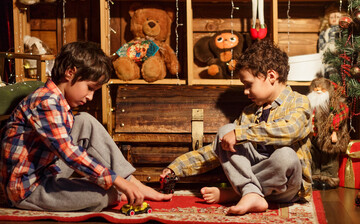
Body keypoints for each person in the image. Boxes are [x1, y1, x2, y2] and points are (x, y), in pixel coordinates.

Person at [0, 41, 172, 212]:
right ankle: (123, 186)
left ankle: (132, 182)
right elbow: (68, 153)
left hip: (47, 171)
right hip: (27, 189)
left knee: (85, 121)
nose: (90, 97)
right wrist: (116, 181)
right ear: (70, 72)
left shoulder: (58, 100)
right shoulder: (46, 102)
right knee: (107, 195)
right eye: (90, 88)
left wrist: (121, 180)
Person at [161, 39, 312, 215]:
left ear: (271, 76)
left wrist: (241, 134)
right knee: (226, 131)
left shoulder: (299, 102)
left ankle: (237, 193)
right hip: (252, 175)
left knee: (286, 155)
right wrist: (176, 167)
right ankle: (250, 192)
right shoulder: (249, 112)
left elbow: (290, 130)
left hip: (286, 187)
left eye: (249, 85)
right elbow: (217, 149)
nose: (245, 92)